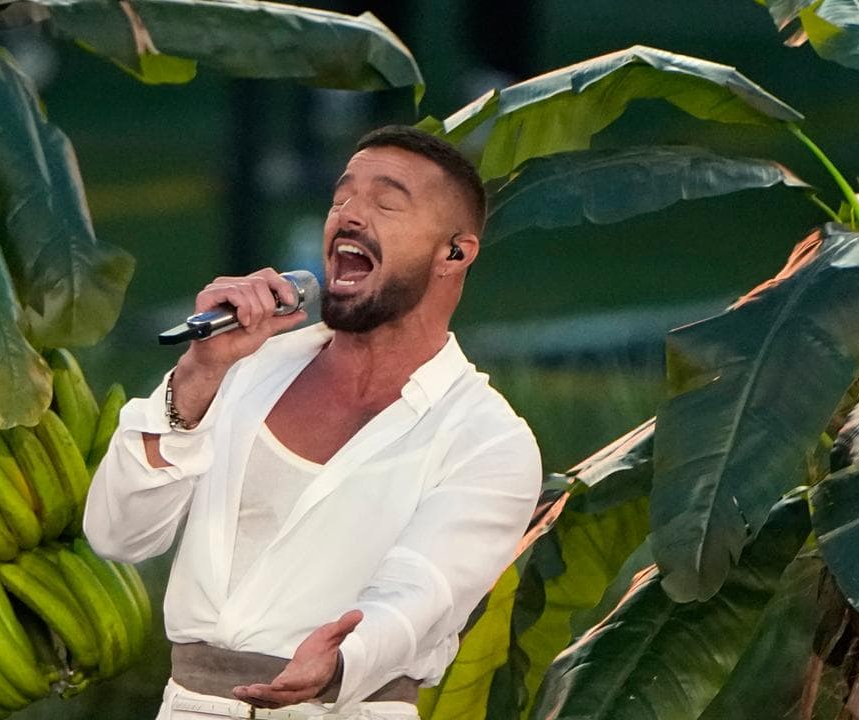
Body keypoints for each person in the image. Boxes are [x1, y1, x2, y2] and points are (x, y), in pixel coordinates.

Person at [84, 125, 542, 720]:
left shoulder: (487, 439)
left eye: (386, 203)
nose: (349, 215)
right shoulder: (242, 368)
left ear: (454, 253)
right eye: (340, 197)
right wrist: (198, 374)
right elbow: (118, 534)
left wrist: (342, 660)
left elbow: (421, 592)